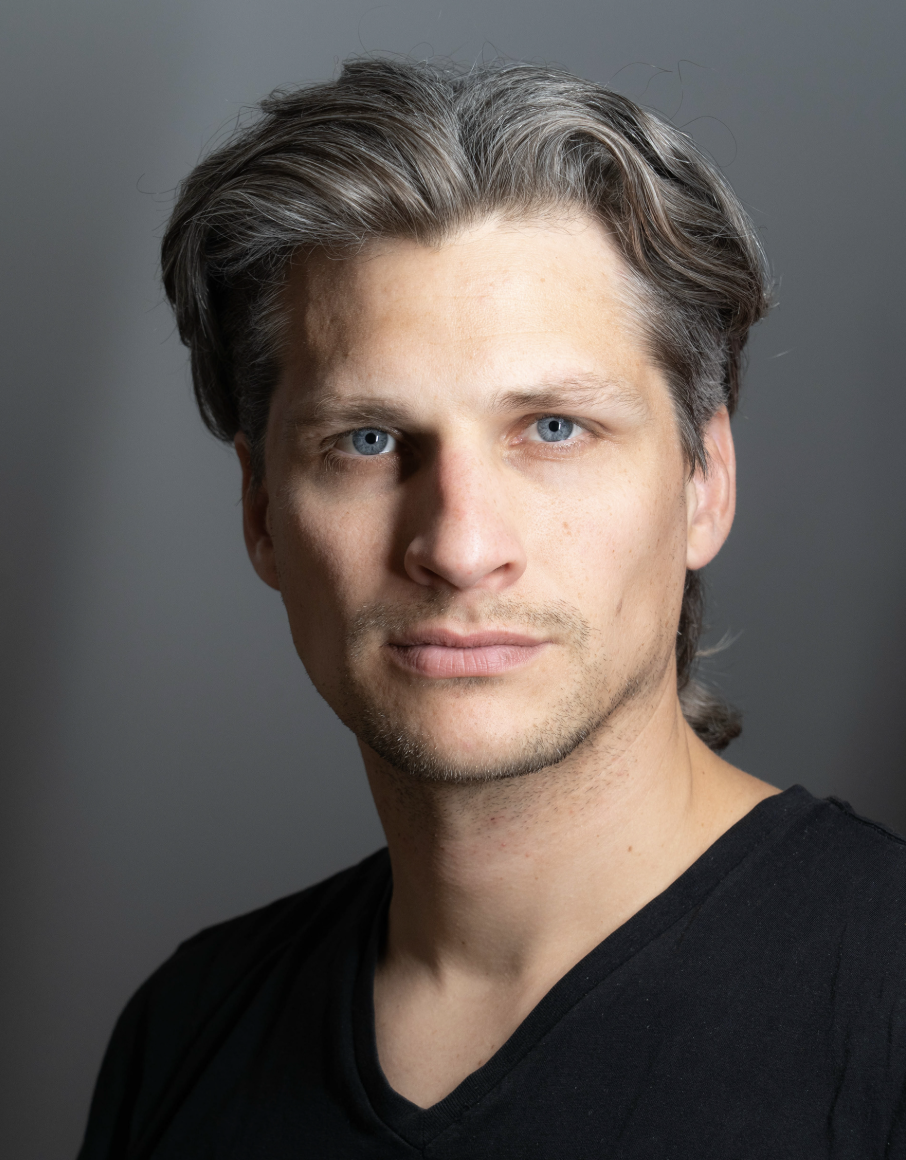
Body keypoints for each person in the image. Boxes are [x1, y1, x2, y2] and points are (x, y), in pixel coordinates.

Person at [77, 58, 906, 1159]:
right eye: (367, 441)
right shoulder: (186, 1032)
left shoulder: (887, 995)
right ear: (262, 510)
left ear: (705, 481)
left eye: (554, 427)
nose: (460, 547)